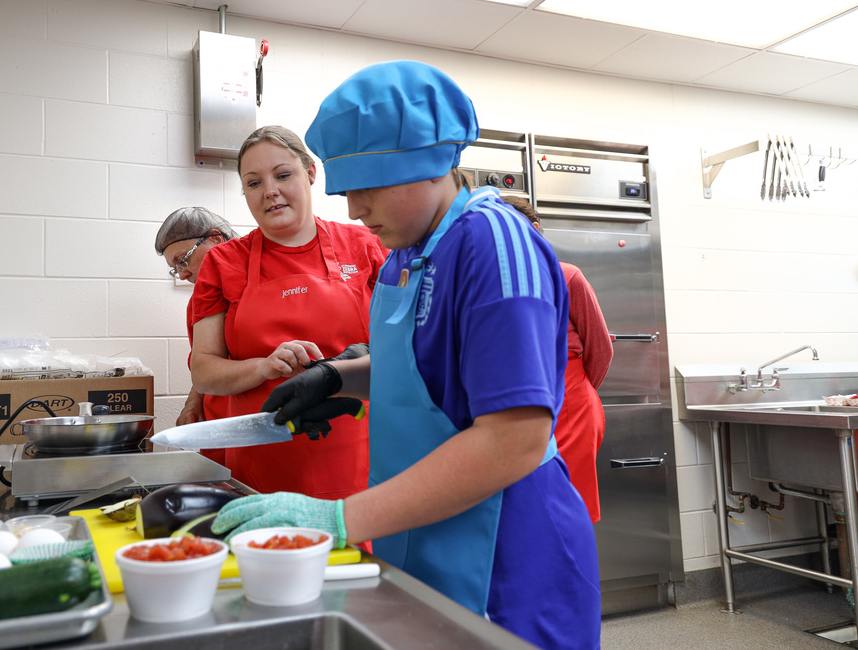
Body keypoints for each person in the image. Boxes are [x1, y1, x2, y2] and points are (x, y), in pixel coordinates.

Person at [211, 61, 601, 649]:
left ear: (426, 161)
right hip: (427, 530)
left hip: (506, 556)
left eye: (366, 188)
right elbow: (424, 373)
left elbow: (515, 436)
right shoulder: (407, 254)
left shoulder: (493, 244)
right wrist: (335, 379)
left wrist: (339, 518)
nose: (354, 209)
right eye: (346, 190)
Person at [189, 125, 387, 500]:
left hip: (358, 456)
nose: (270, 191)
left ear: (310, 173)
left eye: (283, 175)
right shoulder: (223, 262)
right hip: (261, 463)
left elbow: (408, 350)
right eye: (254, 183)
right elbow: (204, 371)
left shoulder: (366, 247)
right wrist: (264, 367)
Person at [502, 195, 613, 523]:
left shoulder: (568, 276)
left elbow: (600, 348)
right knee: (527, 510)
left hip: (570, 400)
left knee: (567, 507)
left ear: (536, 230)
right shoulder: (494, 284)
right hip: (518, 403)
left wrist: (576, 391)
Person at [155, 207, 240, 466]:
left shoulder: (257, 287)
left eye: (183, 260)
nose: (182, 273)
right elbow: (206, 363)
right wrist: (193, 403)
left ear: (215, 239)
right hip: (217, 426)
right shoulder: (198, 303)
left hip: (252, 421)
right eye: (175, 268)